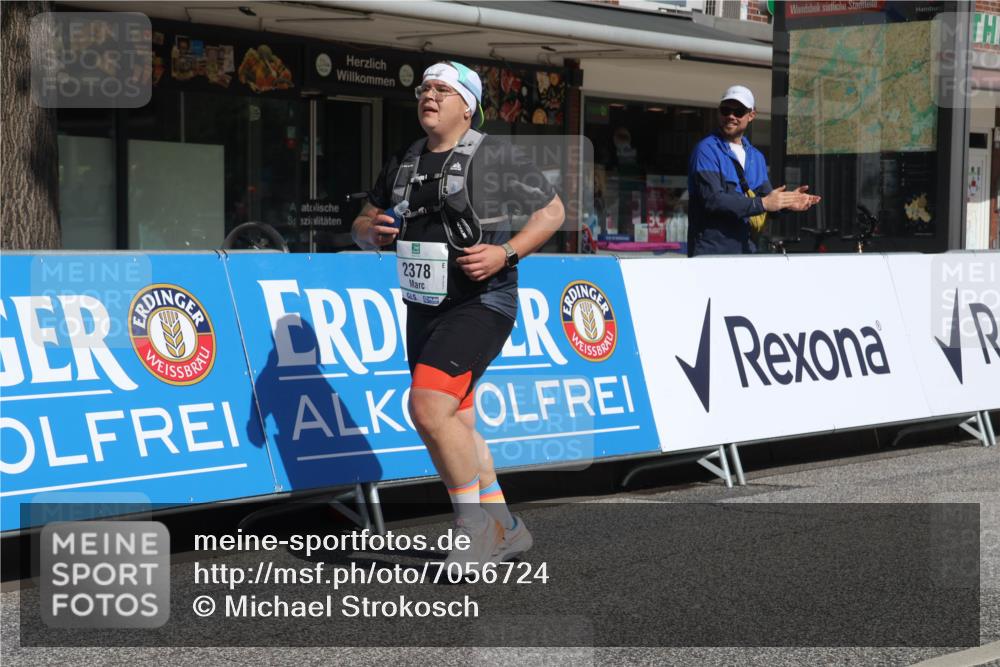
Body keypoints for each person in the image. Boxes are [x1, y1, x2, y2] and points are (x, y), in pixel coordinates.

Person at [352, 61, 564, 568]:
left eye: (442, 90)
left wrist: (506, 253)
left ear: (466, 106)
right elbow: (362, 221)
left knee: (427, 408)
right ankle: (507, 529)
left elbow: (552, 212)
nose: (429, 96)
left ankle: (473, 528)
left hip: (481, 303)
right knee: (458, 423)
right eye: (425, 88)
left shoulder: (494, 155)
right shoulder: (405, 161)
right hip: (424, 307)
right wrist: (370, 232)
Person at [687, 85, 820, 256]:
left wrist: (787, 203)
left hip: (747, 251)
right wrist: (763, 203)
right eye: (725, 110)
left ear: (751, 115)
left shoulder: (756, 157)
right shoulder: (706, 150)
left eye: (739, 112)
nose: (731, 116)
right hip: (712, 253)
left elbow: (766, 198)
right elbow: (713, 200)